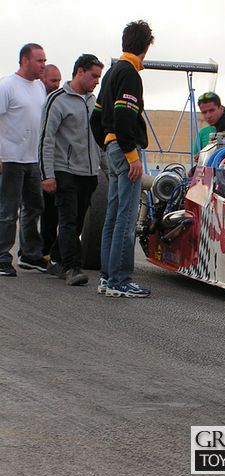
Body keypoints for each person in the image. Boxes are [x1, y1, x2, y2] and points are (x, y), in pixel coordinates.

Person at [90, 20, 154, 297]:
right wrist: (130, 155)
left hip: (111, 149)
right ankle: (120, 280)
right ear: (146, 46)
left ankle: (107, 278)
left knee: (112, 217)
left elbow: (96, 118)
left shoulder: (111, 73)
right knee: (126, 219)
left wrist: (107, 146)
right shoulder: (129, 74)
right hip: (125, 151)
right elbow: (125, 115)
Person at [39, 54, 105, 286]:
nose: (96, 80)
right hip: (63, 169)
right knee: (67, 220)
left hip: (88, 172)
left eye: (99, 76)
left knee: (77, 221)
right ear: (79, 72)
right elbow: (46, 139)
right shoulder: (57, 100)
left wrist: (100, 166)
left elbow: (98, 137)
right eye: (93, 75)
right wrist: (47, 175)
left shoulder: (93, 101)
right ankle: (72, 267)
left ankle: (56, 259)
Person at [0, 43, 48, 277]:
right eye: (40, 61)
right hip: (10, 159)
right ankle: (1, 257)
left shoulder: (39, 87)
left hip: (32, 160)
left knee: (34, 207)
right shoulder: (6, 86)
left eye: (44, 60)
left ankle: (30, 255)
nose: (43, 65)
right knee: (8, 212)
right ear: (25, 60)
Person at [40, 64, 62, 259]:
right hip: (33, 163)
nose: (57, 84)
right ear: (42, 79)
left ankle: (46, 250)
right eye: (53, 81)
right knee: (34, 211)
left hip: (52, 164)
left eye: (59, 81)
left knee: (51, 212)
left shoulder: (58, 101)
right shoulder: (39, 100)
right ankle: (32, 252)